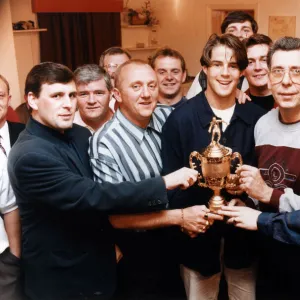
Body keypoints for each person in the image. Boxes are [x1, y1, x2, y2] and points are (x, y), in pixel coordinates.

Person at [7, 62, 198, 300]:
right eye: (56, 96)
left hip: (103, 268)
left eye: (71, 95)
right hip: (63, 280)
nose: (68, 104)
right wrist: (164, 183)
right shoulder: (30, 155)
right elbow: (94, 195)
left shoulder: (79, 134)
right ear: (32, 101)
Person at [89, 59, 222, 299]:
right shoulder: (105, 143)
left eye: (152, 85)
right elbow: (116, 218)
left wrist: (241, 94)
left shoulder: (167, 116)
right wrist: (180, 217)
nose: (146, 94)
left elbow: (208, 108)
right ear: (117, 94)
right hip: (140, 257)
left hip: (180, 245)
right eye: (136, 86)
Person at [161, 34, 265, 300]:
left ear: (242, 72)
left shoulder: (257, 119)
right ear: (205, 69)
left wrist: (250, 205)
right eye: (217, 64)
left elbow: (265, 178)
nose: (225, 73)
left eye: (232, 66)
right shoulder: (180, 120)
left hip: (244, 242)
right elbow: (168, 182)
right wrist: (185, 216)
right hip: (196, 241)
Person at [218, 36, 300, 300]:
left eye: (297, 71)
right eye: (278, 71)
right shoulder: (263, 123)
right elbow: (263, 184)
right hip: (268, 256)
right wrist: (248, 205)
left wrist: (267, 197)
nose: (286, 81)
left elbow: (269, 192)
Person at [187, 10, 258, 100]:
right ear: (224, 35)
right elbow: (191, 103)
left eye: (245, 30)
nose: (239, 35)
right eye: (232, 30)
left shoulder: (261, 68)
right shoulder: (207, 73)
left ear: (254, 35)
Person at [0, 74, 24, 300]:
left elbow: (10, 203)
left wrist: (15, 253)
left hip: (27, 233)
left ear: (8, 98)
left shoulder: (26, 133)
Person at [73, 64, 113, 133]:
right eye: (83, 94)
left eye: (99, 93)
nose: (91, 101)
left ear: (111, 94)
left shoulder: (125, 122)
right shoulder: (66, 127)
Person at [243, 34, 275, 111]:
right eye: (250, 62)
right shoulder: (237, 104)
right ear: (242, 70)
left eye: (264, 60)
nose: (258, 67)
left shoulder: (292, 102)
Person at [99, 47, 131, 112]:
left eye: (124, 65)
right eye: (112, 66)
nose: (118, 70)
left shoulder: (141, 96)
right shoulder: (97, 99)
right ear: (102, 70)